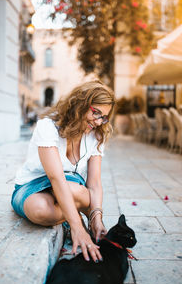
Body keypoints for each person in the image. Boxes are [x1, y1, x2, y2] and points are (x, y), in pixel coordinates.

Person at [11, 80, 116, 263]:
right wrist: (77, 227)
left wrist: (97, 218)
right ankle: (72, 216)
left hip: (72, 186)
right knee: (40, 210)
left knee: (76, 190)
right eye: (96, 112)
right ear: (80, 104)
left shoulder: (97, 135)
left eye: (104, 117)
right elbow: (55, 178)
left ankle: (77, 213)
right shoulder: (48, 126)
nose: (99, 121)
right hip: (33, 186)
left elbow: (95, 183)